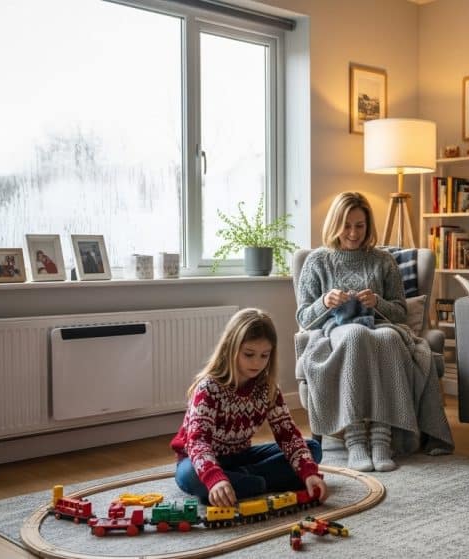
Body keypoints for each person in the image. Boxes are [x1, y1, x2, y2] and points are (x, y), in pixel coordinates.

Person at [295, 192, 453, 472]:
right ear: (334, 224)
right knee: (355, 334)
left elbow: (400, 313)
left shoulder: (383, 260)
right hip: (336, 331)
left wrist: (377, 302)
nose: (353, 233)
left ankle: (382, 439)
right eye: (346, 226)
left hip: (380, 327)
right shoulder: (317, 261)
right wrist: (325, 302)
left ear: (368, 225)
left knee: (390, 337)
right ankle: (355, 439)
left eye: (360, 225)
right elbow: (304, 319)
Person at [171, 308, 327, 507]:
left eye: (264, 355)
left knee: (312, 449)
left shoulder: (268, 388)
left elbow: (287, 435)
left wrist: (309, 473)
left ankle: (242, 482)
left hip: (241, 457)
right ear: (231, 348)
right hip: (197, 459)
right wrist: (214, 478)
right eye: (249, 354)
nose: (257, 362)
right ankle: (254, 483)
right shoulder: (208, 388)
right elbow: (198, 441)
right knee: (189, 476)